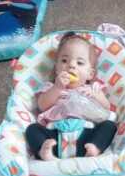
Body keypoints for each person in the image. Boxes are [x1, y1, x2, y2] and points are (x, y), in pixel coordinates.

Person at [25, 32, 117, 160]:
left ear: (90, 74)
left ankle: (94, 148)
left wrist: (97, 97)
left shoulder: (93, 89)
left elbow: (107, 110)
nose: (71, 65)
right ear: (57, 69)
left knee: (109, 126)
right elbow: (42, 106)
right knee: (32, 129)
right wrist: (57, 88)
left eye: (79, 63)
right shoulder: (51, 88)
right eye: (64, 60)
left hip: (85, 136)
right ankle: (44, 151)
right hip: (55, 134)